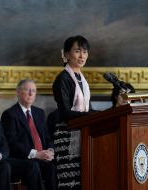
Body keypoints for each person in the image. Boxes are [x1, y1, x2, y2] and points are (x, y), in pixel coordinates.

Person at [52, 35, 96, 189]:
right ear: (67, 54)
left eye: (85, 51)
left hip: (84, 132)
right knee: (71, 182)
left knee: (85, 179)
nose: (82, 55)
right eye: (77, 51)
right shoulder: (62, 79)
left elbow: (88, 109)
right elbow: (65, 113)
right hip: (67, 135)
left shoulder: (83, 80)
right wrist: (91, 115)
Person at [1, 79, 57, 190]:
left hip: (42, 156)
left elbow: (47, 137)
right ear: (18, 92)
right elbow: (12, 143)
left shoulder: (39, 113)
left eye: (34, 91)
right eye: (27, 90)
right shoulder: (10, 114)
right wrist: (36, 154)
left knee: (55, 165)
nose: (31, 93)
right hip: (23, 157)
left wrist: (50, 151)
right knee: (34, 165)